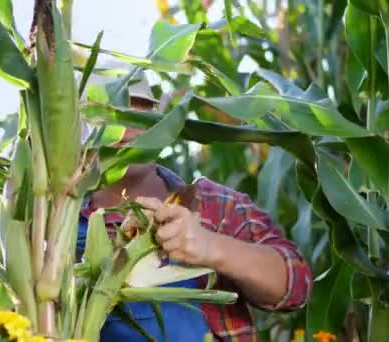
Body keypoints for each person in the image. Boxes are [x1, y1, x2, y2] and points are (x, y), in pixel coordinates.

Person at [76, 69, 313, 341]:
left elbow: (296, 286)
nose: (128, 131)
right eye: (111, 118)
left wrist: (210, 247)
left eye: (138, 115)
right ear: (82, 132)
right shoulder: (56, 227)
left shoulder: (215, 205)